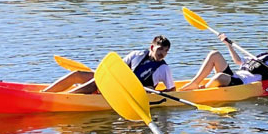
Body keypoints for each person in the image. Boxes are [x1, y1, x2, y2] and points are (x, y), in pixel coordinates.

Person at [42, 36, 176, 94]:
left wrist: (156, 93)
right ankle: (45, 93)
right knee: (77, 75)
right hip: (118, 85)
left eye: (166, 51)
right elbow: (116, 68)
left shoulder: (164, 68)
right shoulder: (136, 54)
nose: (162, 54)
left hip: (131, 94)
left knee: (97, 82)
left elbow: (172, 91)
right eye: (160, 50)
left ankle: (67, 97)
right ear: (152, 47)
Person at [180, 33, 268, 91]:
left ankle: (202, 91)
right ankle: (195, 83)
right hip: (235, 76)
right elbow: (238, 61)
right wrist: (228, 45)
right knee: (215, 54)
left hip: (242, 83)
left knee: (219, 77)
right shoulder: (260, 57)